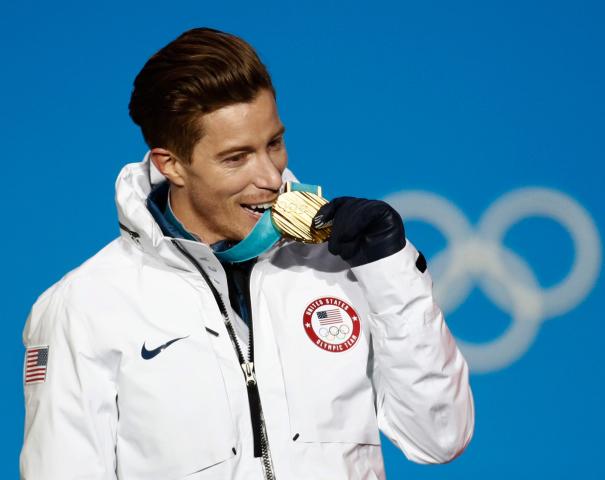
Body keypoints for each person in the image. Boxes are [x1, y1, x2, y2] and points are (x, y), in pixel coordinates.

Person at [20, 27, 474, 479]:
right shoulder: (84, 305)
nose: (271, 177)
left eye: (273, 143)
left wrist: (391, 269)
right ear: (170, 164)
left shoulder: (343, 265)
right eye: (236, 158)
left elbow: (439, 437)